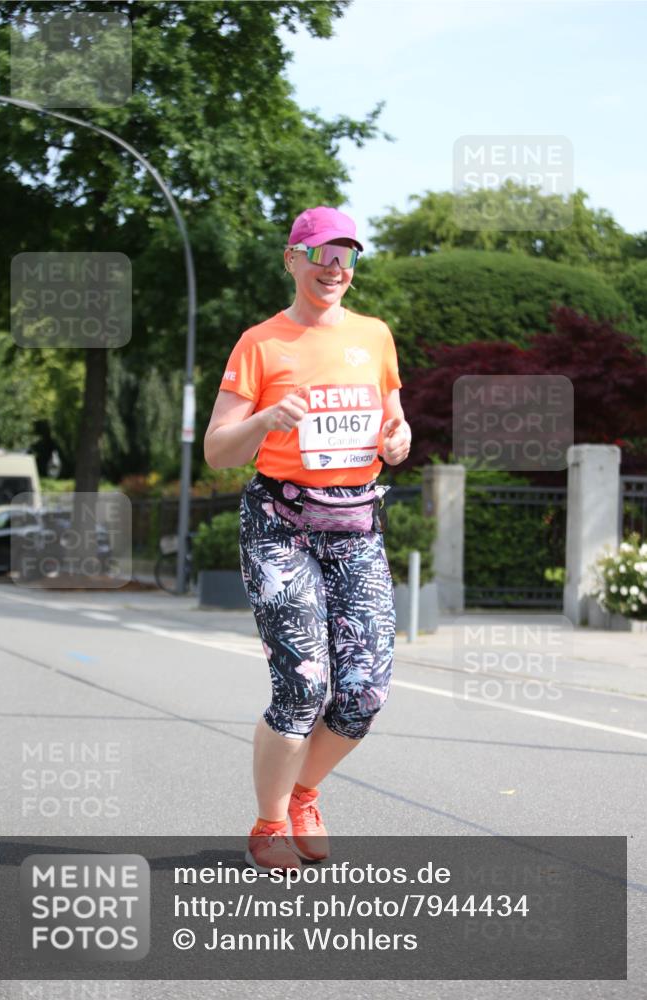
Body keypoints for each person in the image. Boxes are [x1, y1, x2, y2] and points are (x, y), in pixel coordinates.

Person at [204, 206, 411, 872]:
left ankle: (302, 793)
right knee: (301, 685)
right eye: (321, 254)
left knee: (363, 692)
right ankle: (269, 825)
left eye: (345, 255)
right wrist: (266, 416)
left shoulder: (375, 335)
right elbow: (217, 450)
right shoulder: (260, 343)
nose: (334, 268)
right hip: (281, 528)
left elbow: (394, 422)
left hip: (355, 528)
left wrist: (398, 439)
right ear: (292, 259)